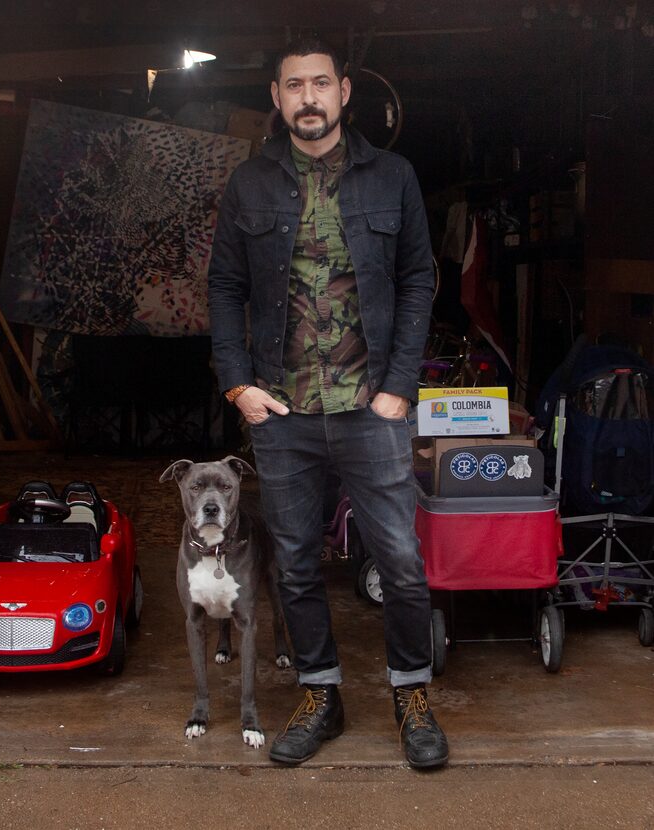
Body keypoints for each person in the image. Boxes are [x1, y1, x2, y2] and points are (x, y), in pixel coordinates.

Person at [207, 37, 448, 769]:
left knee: (402, 561)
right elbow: (223, 289)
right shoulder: (248, 184)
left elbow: (417, 280)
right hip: (282, 412)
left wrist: (400, 387)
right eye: (293, 87)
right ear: (276, 100)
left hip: (369, 406)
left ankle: (411, 691)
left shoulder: (394, 177)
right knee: (296, 564)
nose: (307, 98)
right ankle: (322, 693)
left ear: (345, 92)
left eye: (320, 84)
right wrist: (239, 385)